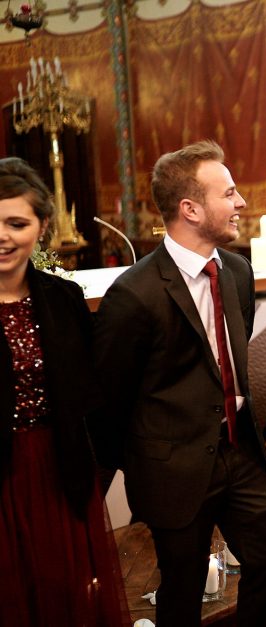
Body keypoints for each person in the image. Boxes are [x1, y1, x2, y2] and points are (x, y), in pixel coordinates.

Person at [91, 141, 266, 627]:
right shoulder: (134, 295)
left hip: (239, 451)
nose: (241, 203)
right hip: (174, 467)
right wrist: (135, 471)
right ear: (191, 208)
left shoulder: (238, 273)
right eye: (230, 193)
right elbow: (109, 403)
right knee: (181, 589)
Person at [0, 157, 129, 625]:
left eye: (17, 223)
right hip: (1, 480)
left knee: (64, 594)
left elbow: (91, 393)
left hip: (58, 470)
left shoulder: (63, 298)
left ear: (42, 227)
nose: (3, 236)